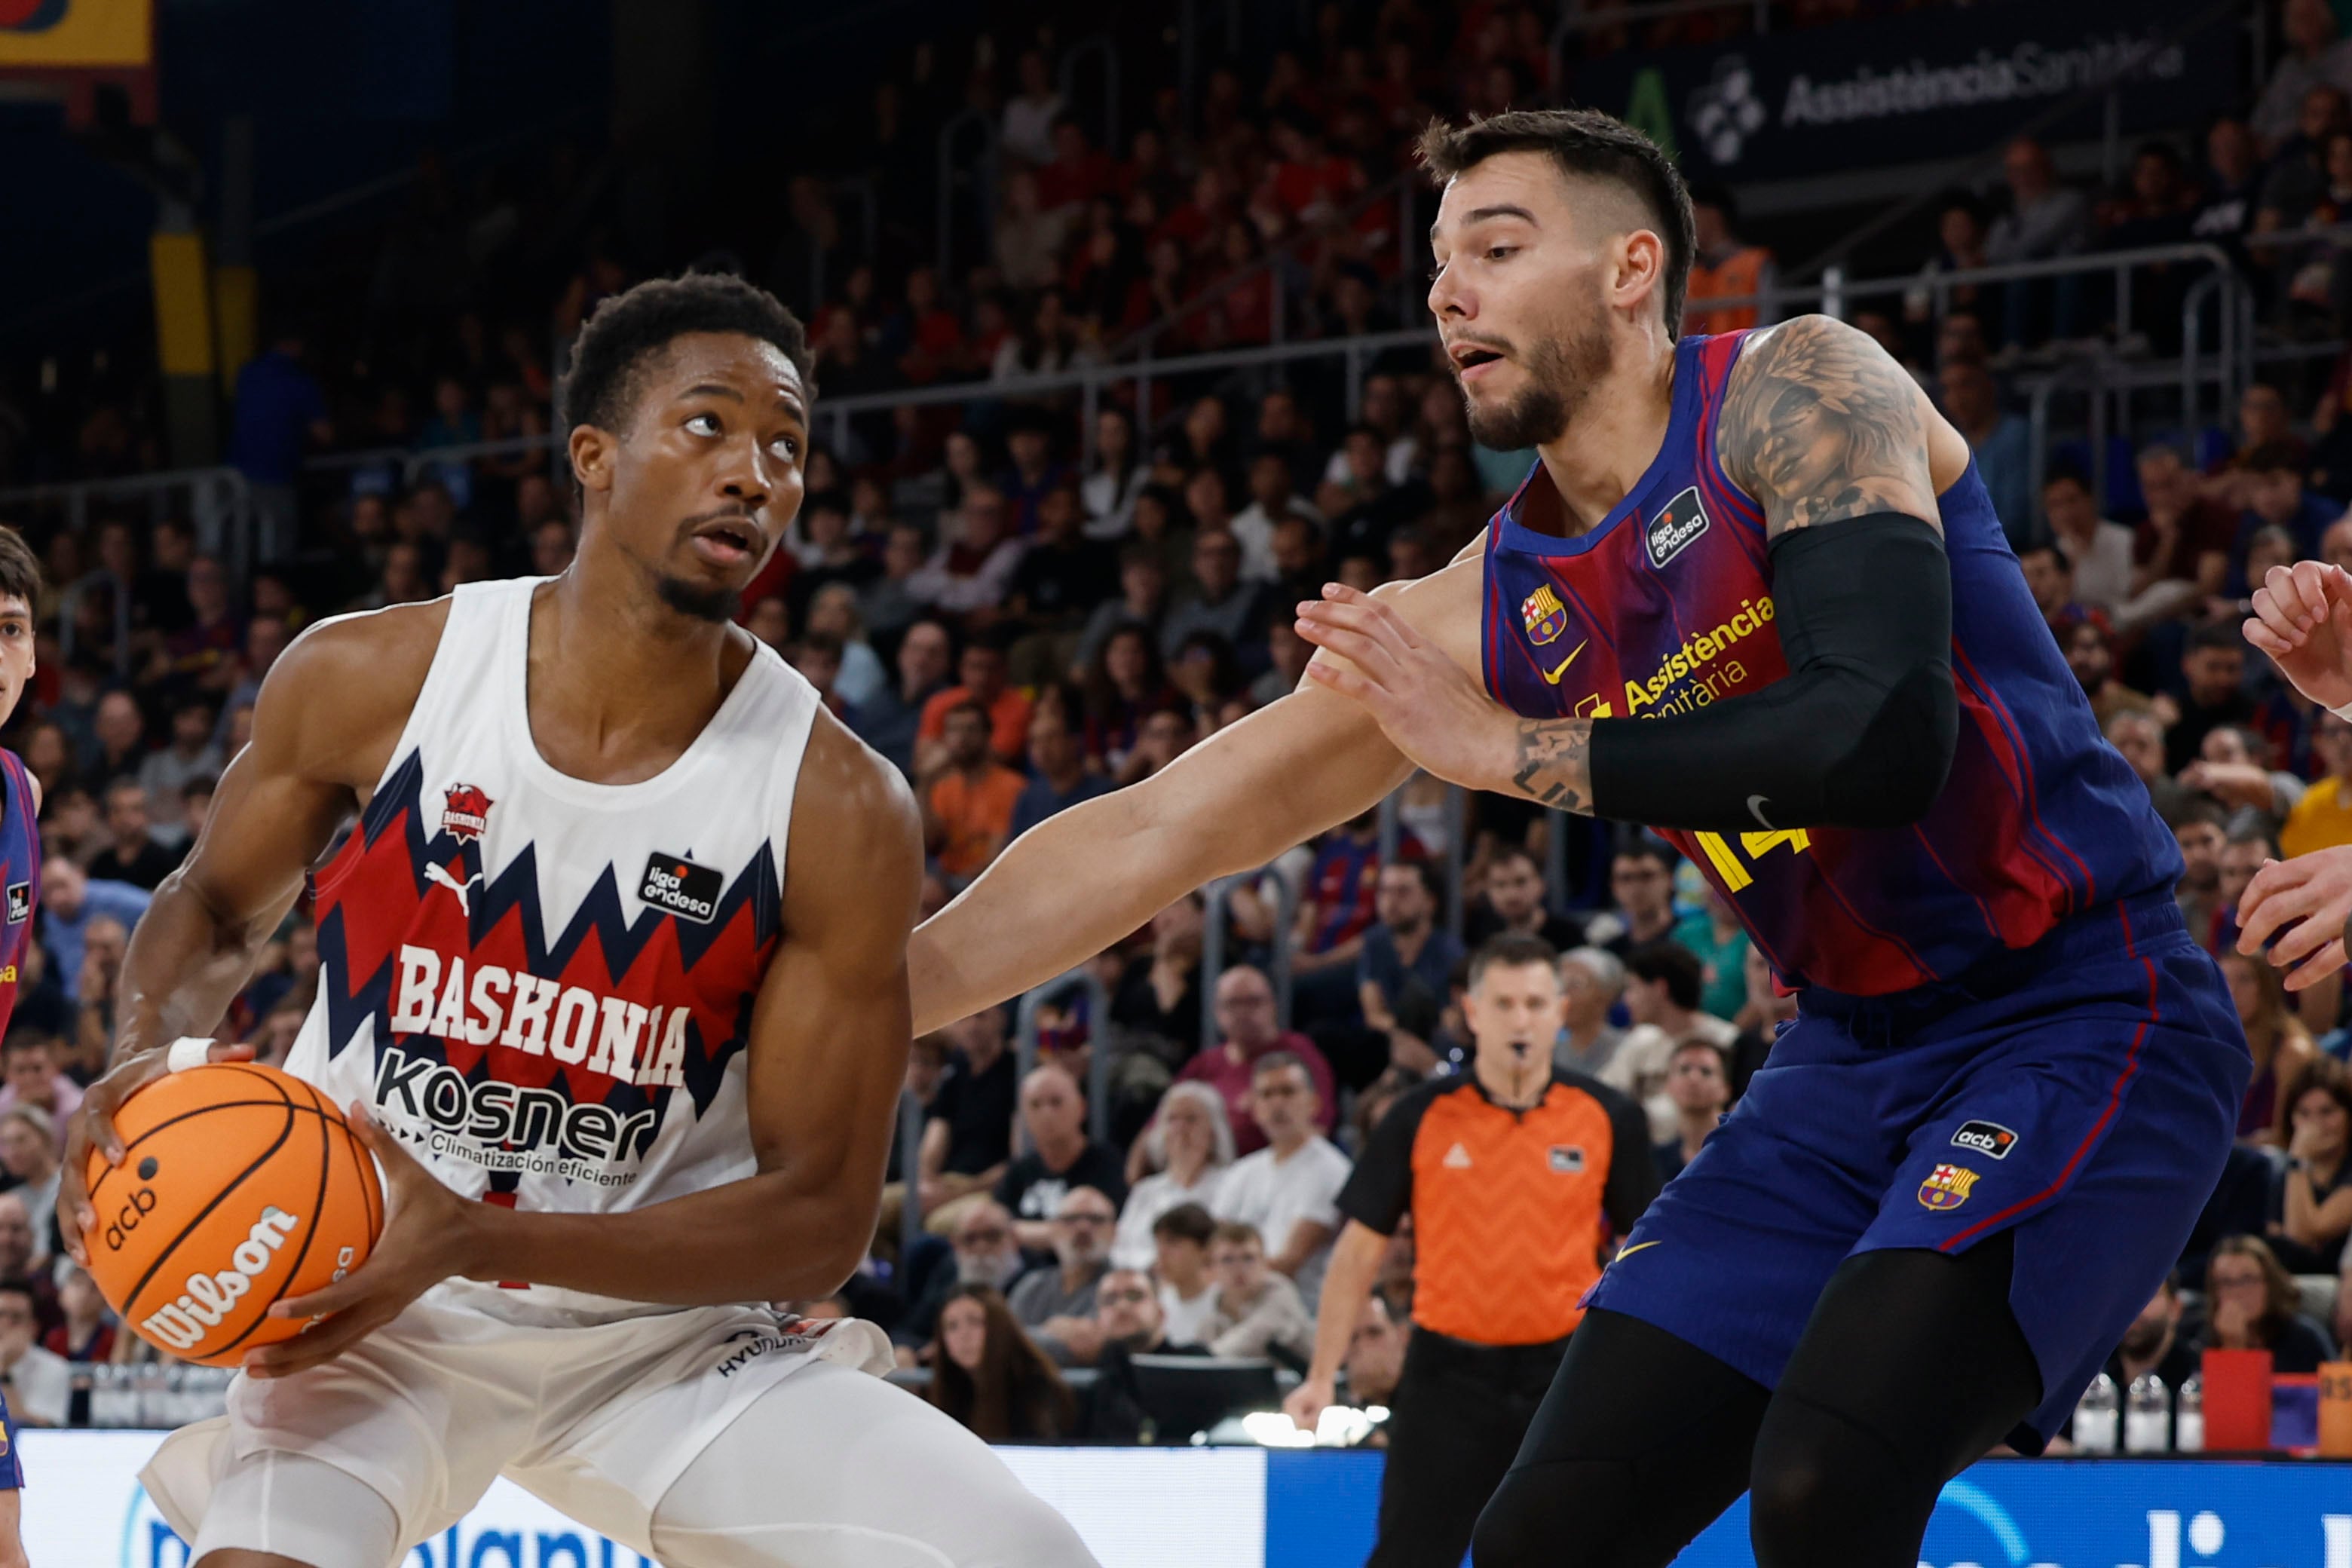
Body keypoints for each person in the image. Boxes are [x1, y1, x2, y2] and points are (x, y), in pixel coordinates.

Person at [911, 109, 2246, 1568]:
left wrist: (1513, 752)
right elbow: (1157, 829)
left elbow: (1879, 734)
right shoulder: (1482, 608)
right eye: (1437, 264)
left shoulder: (1800, 390)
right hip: (1843, 1057)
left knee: (1826, 1476)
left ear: (1630, 270)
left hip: (2082, 1000)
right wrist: (871, 1005)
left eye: (1496, 247)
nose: (1447, 294)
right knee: (1544, 1533)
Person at [71, 274, 1093, 1568]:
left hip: (660, 1342)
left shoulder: (837, 801)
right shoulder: (373, 677)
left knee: (1022, 1556)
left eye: (786, 448)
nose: (755, 475)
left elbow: (823, 1217)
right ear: (594, 457)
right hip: (368, 1305)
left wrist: (483, 1235)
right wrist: (142, 1058)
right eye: (710, 426)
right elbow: (213, 902)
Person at [1285, 935, 1659, 1568]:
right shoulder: (1420, 1116)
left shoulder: (1605, 1115)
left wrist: (1641, 1375)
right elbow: (1356, 1253)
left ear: (1560, 1010)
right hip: (1444, 1380)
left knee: (1567, 1552)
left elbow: (1645, 1254)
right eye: (1505, 1003)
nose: (1521, 1020)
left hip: (1562, 1379)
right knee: (1410, 1553)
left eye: (1536, 1003)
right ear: (1472, 1010)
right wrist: (1322, 1375)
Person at [1156, 966, 1339, 1161]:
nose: (1243, 1012)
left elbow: (1318, 1127)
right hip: (1207, 1173)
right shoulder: (1205, 1062)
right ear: (1217, 1011)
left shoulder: (1298, 1054)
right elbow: (1159, 1124)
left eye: (1253, 1002)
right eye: (1233, 1003)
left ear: (1273, 1005)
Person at [1214, 1052, 1352, 1307]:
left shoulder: (1331, 1170)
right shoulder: (1242, 1172)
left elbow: (1290, 1262)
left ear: (1314, 1103)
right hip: (1240, 1305)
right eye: (1266, 1095)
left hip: (1299, 1311)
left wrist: (1225, 1275)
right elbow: (1214, 1247)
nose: (1277, 1104)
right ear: (1255, 1108)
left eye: (1288, 1092)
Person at [997, 1064, 1128, 1251]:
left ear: (1081, 1108)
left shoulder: (1107, 1164)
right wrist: (1061, 1233)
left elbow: (1107, 1231)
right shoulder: (1019, 1170)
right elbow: (999, 1228)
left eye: (1056, 1102)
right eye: (1035, 1105)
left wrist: (1026, 1233)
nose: (1046, 1114)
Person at [928, 1284, 1078, 1442]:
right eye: (952, 1326)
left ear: (999, 1326)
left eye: (975, 1322)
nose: (964, 1335)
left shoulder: (1035, 1388)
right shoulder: (949, 1392)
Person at [1111, 1080, 1233, 1269]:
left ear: (1213, 1131)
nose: (1180, 1129)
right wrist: (1154, 1264)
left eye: (1191, 1119)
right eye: (1172, 1119)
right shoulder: (1145, 1191)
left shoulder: (1233, 1183)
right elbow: (1120, 1250)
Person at [1357, 859, 1465, 1071]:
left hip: (1436, 1043)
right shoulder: (1375, 943)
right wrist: (1403, 1036)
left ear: (1430, 901)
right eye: (1386, 892)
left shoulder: (1449, 951)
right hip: (1392, 1039)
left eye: (1403, 892)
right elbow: (1374, 1014)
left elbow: (1452, 1019)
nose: (1391, 902)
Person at [2193, 1236, 2339, 1374]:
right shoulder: (2205, 1339)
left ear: (2270, 1284)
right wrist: (2232, 1348)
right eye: (2226, 1282)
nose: (2237, 1292)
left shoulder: (2305, 1339)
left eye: (2247, 1279)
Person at [1007, 1186, 1116, 1364]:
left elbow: (1092, 1347)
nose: (1083, 1227)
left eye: (1096, 1219)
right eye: (1071, 1219)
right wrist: (1053, 1332)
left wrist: (1030, 1335)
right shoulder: (1032, 1285)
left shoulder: (1124, 1285)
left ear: (1115, 1231)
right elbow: (1001, 1341)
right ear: (1053, 1230)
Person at [2268, 1056, 2352, 1273]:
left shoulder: (2296, 1165)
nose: (2315, 1125)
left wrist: (2299, 1159)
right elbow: (2278, 1237)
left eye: (2327, 1112)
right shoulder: (2281, 1170)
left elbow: (2301, 1235)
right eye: (2303, 1114)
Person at [1199, 1220, 1315, 1363]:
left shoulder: (1279, 1292)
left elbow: (1255, 1335)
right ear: (1212, 1268)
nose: (1238, 1268)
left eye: (1248, 1258)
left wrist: (1203, 1356)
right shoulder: (1214, 1304)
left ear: (1265, 1262)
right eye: (1227, 1260)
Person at [1462, 844, 1585, 951]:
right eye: (1500, 885)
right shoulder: (1481, 934)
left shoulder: (1569, 935)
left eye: (1521, 882)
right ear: (1488, 890)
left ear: (1541, 884)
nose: (1511, 894)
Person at [1655, 1037, 1732, 1182]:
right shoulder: (1657, 1159)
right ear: (1668, 1085)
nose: (1694, 1078)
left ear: (1725, 1089)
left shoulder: (1740, 1153)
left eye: (1706, 1071)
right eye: (1684, 1070)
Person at [1148, 1202, 1222, 1348]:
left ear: (1205, 1248)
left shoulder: (1224, 1303)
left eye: (1172, 1242)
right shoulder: (1158, 1303)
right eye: (1158, 1244)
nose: (1161, 1254)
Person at [0, 1031, 79, 1158]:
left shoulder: (76, 1107)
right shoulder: (2, 1105)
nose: (30, 1078)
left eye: (37, 1068)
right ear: (6, 1075)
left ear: (55, 1068)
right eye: (20, 1070)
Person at [1553, 946, 1628, 1079]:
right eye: (1560, 984)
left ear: (1605, 996)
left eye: (1575, 985)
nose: (1563, 995)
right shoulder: (1549, 1050)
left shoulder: (1626, 1049)